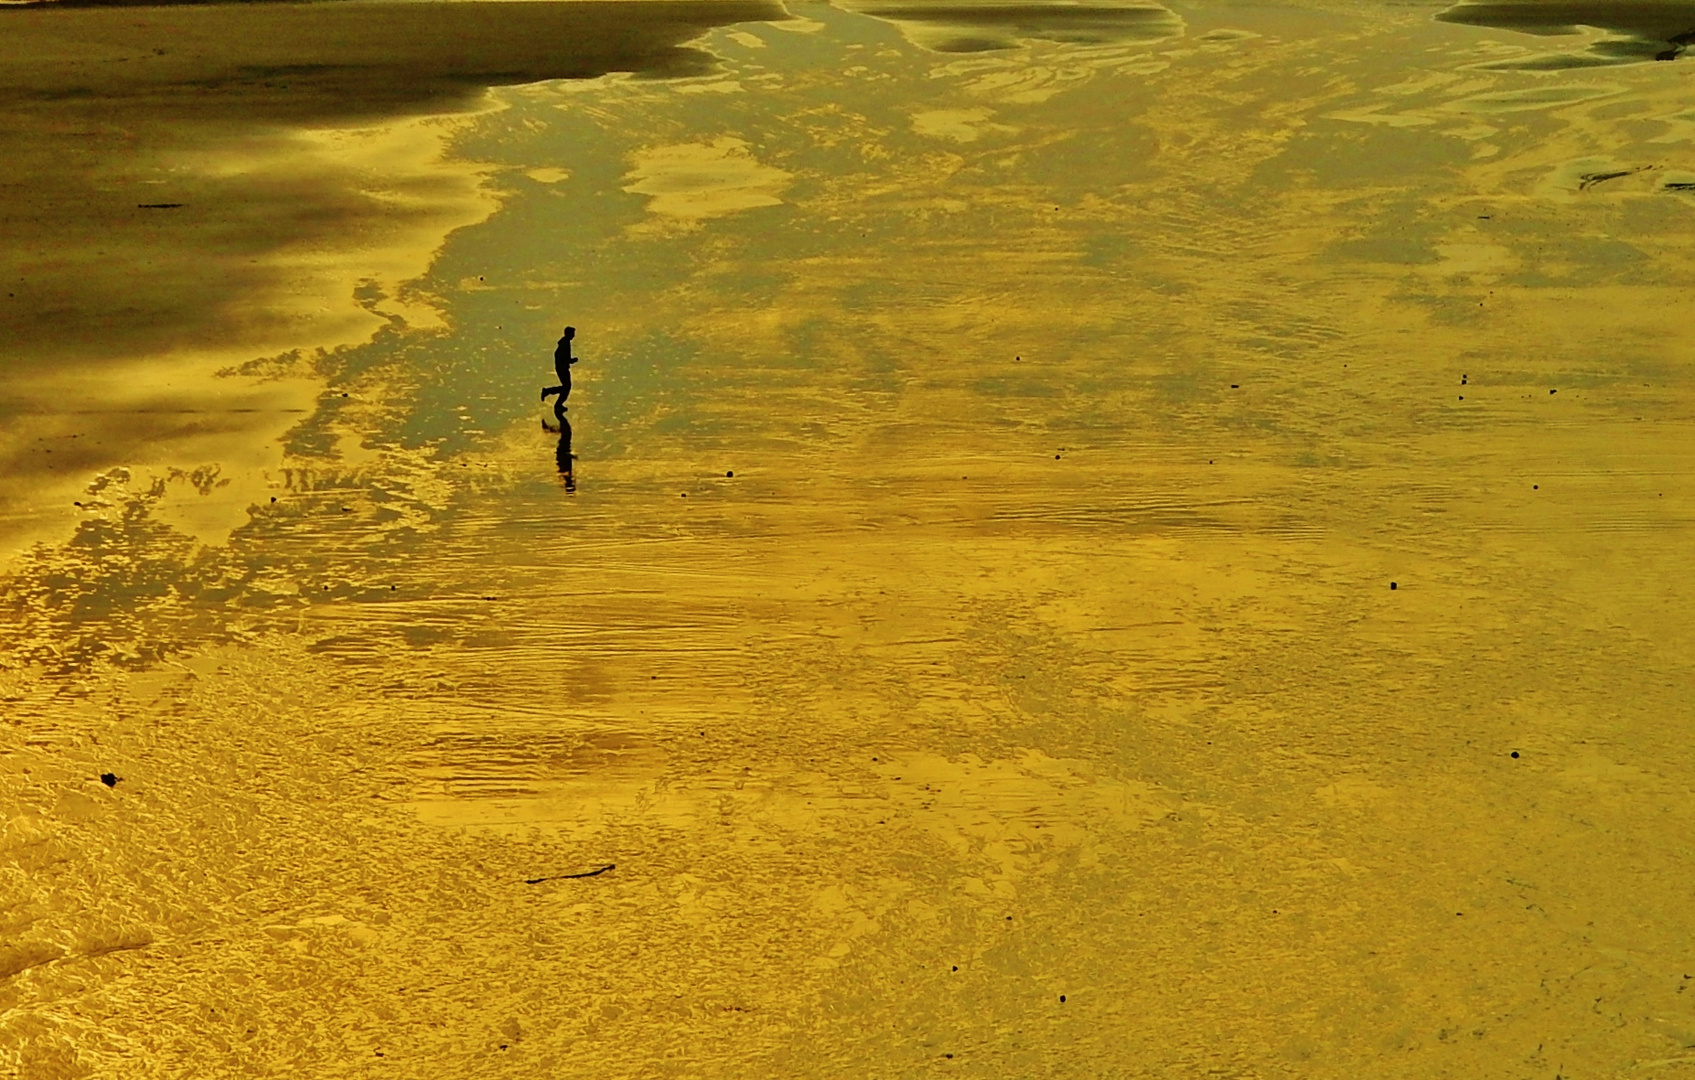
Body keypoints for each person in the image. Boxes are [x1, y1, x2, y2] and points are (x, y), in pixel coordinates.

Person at [540, 326, 578, 409]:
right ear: (568, 334)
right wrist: (571, 361)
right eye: (572, 334)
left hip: (562, 368)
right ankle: (550, 394)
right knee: (566, 387)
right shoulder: (565, 344)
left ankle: (556, 402)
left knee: (566, 387)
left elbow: (559, 356)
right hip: (562, 369)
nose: (574, 336)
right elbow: (562, 357)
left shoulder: (565, 343)